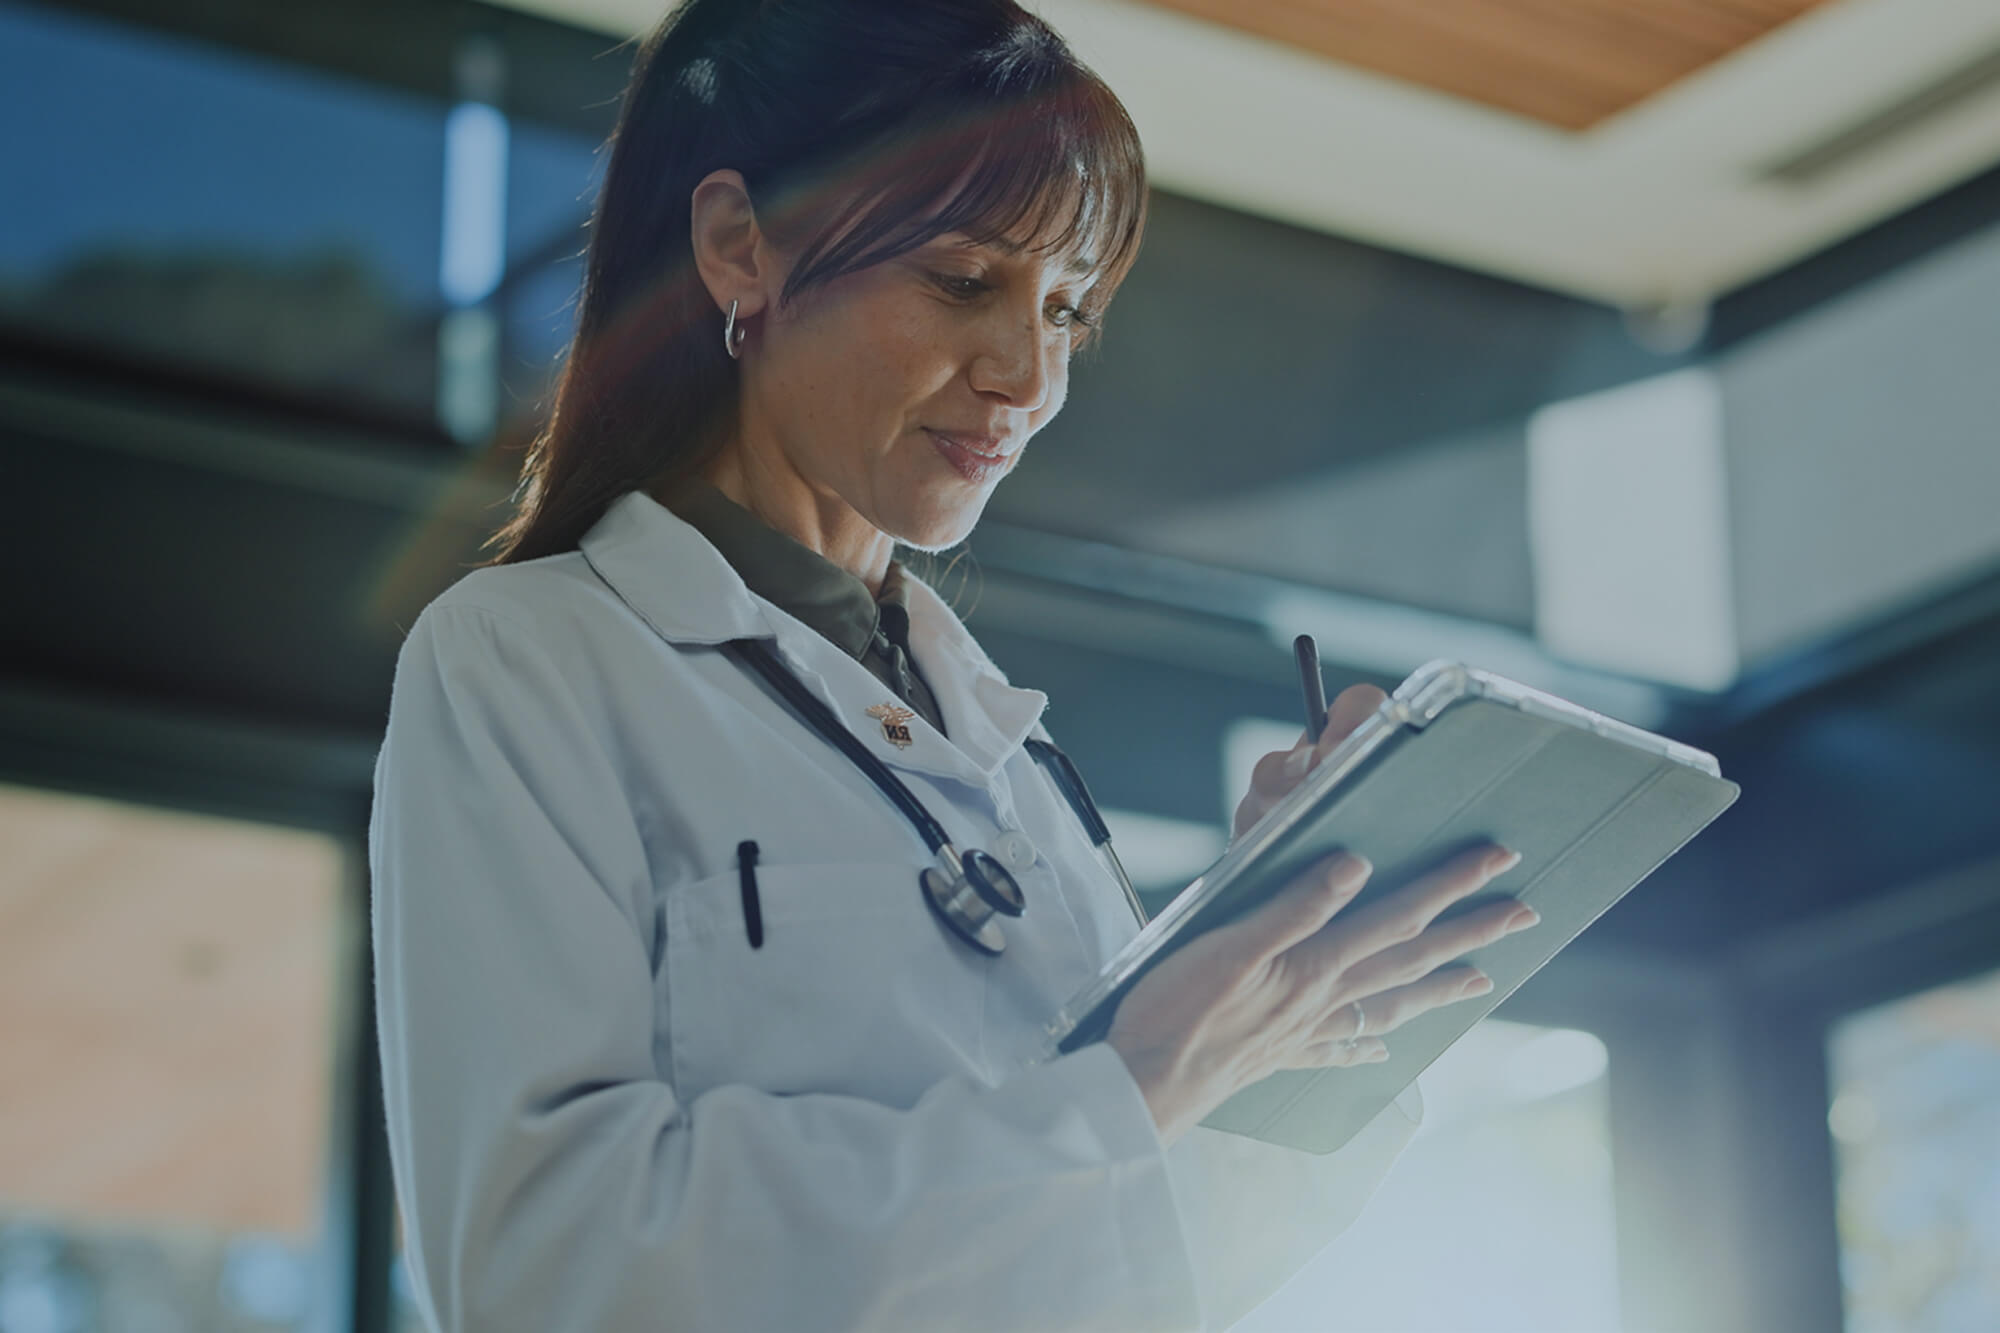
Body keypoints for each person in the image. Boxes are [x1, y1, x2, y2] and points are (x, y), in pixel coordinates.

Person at [370, 2, 1539, 1329]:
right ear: (739, 245)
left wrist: (1269, 942)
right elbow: (551, 1272)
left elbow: (1173, 1261)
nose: (1027, 374)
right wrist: (1138, 1076)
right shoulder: (528, 661)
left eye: (1068, 307)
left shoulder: (1008, 751)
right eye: (964, 281)